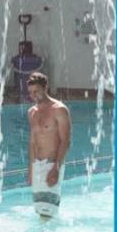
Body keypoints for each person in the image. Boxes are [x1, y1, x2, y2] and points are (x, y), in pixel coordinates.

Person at [26, 72, 71, 219]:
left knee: (48, 214)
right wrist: (30, 169)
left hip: (52, 164)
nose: (33, 96)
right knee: (40, 211)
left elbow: (65, 141)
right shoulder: (31, 112)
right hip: (37, 166)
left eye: (36, 91)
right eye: (31, 93)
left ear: (46, 88)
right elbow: (32, 141)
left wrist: (56, 168)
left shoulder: (59, 110)